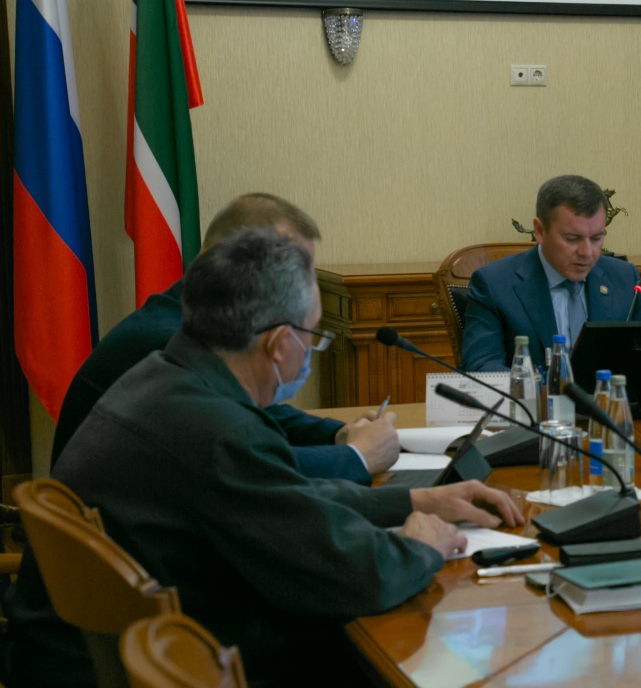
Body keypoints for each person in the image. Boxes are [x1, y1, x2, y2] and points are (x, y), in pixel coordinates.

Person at [1, 229, 525, 688]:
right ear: (279, 343)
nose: (310, 353)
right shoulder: (214, 431)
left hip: (123, 687)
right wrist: (420, 546)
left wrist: (415, 500)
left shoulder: (164, 378)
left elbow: (280, 499)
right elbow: (356, 573)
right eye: (314, 337)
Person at [50, 193, 396, 483]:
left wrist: (336, 434)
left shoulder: (191, 318)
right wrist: (356, 456)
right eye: (292, 267)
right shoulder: (170, 342)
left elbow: (255, 416)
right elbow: (248, 466)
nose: (301, 285)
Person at [460, 174, 641, 370]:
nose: (587, 252)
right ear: (539, 231)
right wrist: (542, 385)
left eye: (597, 238)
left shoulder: (624, 278)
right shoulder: (494, 284)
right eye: (572, 239)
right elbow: (482, 367)